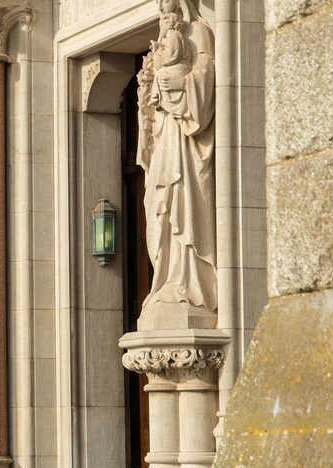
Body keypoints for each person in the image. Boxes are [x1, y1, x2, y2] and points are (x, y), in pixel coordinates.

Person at [137, 0, 217, 327]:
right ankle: (167, 279)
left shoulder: (198, 31)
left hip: (186, 134)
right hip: (166, 132)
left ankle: (190, 282)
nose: (164, 8)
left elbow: (206, 75)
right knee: (157, 202)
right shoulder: (164, 38)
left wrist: (181, 84)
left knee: (182, 194)